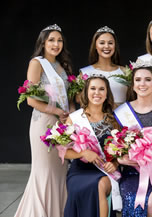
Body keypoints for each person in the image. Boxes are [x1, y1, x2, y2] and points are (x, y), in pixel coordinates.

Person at [14, 24, 73, 217]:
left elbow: (69, 96)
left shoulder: (62, 65)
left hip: (62, 124)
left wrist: (69, 116)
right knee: (44, 171)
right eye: (51, 40)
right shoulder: (37, 63)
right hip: (44, 122)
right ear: (43, 42)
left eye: (59, 40)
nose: (56, 44)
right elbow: (31, 99)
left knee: (60, 171)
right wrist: (57, 110)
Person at [114, 63, 152, 217]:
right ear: (133, 85)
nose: (142, 84)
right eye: (138, 80)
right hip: (132, 171)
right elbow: (115, 145)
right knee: (133, 199)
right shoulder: (121, 112)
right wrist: (121, 158)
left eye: (147, 80)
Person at [64, 76, 120, 217]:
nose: (97, 93)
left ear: (107, 94)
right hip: (80, 170)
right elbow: (63, 151)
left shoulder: (113, 120)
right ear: (86, 92)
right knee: (92, 186)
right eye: (93, 88)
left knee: (100, 184)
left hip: (104, 171)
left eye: (102, 89)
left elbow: (121, 150)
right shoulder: (74, 118)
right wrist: (82, 153)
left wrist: (115, 163)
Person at [80, 26, 127, 105]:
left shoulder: (125, 71)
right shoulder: (85, 72)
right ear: (95, 45)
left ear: (115, 45)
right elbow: (80, 100)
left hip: (122, 115)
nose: (106, 46)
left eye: (110, 43)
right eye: (102, 43)